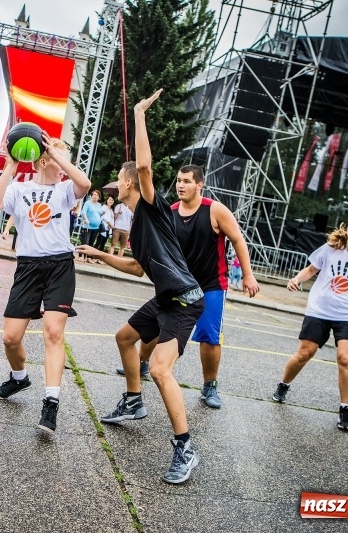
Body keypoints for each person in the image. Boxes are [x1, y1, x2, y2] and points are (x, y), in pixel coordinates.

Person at [76, 90, 205, 484]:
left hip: (185, 303)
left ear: (131, 182)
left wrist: (138, 114)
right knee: (123, 337)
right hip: (164, 299)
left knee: (163, 371)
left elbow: (146, 166)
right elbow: (136, 269)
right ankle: (133, 401)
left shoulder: (151, 206)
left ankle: (186, 447)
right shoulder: (134, 223)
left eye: (121, 175)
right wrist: (98, 256)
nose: (116, 180)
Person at [121, 164, 261, 409]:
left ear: (200, 185)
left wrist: (248, 275)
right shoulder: (170, 212)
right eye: (178, 180)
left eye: (186, 181)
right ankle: (141, 362)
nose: (180, 185)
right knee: (154, 326)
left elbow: (238, 239)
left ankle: (209, 386)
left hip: (210, 285)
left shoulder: (214, 210)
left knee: (209, 335)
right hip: (179, 286)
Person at [0, 131, 90, 434]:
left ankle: (51, 402)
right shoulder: (19, 189)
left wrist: (59, 155)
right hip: (28, 267)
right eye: (58, 160)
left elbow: (84, 184)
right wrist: (11, 166)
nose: (63, 166)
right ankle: (19, 378)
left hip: (59, 266)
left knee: (53, 332)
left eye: (65, 161)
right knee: (10, 338)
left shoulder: (66, 190)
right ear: (43, 160)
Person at [271, 213, 348, 431]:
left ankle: (345, 409)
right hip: (319, 309)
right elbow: (311, 269)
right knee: (304, 353)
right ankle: (283, 385)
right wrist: (296, 279)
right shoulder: (331, 248)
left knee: (345, 358)